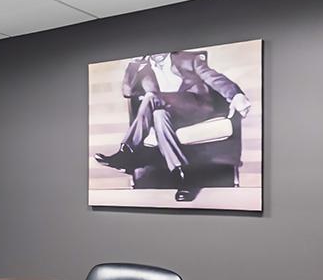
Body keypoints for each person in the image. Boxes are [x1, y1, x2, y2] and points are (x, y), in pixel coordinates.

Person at [95, 51, 252, 200]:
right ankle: (183, 176)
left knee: (151, 97)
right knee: (159, 115)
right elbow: (127, 92)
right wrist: (134, 64)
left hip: (195, 107)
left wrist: (235, 95)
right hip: (169, 114)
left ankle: (126, 151)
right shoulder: (144, 71)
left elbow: (213, 77)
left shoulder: (188, 59)